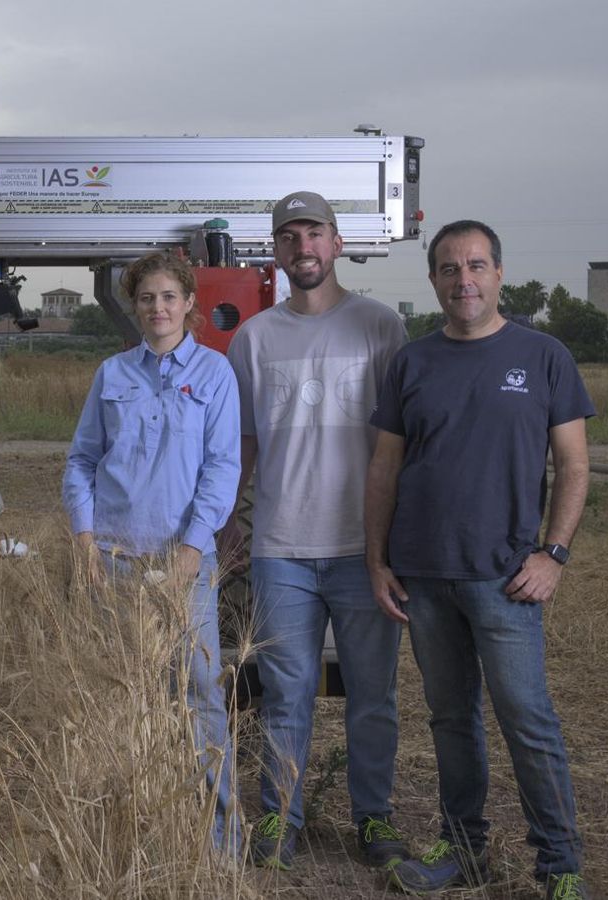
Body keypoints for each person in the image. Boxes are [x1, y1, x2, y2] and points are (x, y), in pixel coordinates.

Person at [365, 220, 592, 900]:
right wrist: (377, 559)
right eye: (448, 268)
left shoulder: (544, 355)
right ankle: (464, 849)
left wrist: (554, 554)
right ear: (433, 279)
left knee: (526, 716)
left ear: (498, 274)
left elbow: (575, 466)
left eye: (476, 265)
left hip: (506, 579)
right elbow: (384, 468)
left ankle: (560, 866)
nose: (463, 279)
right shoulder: (412, 362)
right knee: (450, 717)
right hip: (424, 576)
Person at [222, 191, 410, 870]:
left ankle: (375, 821)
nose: (303, 248)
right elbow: (242, 443)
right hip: (281, 550)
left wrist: (396, 547)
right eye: (289, 237)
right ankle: (279, 822)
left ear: (336, 242)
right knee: (285, 695)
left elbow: (401, 442)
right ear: (275, 250)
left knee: (372, 697)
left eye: (315, 234)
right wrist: (226, 524)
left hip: (365, 551)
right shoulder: (255, 338)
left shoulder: (382, 328)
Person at [62, 252, 243, 857]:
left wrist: (192, 551)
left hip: (183, 564)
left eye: (169, 297)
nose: (157, 308)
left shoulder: (215, 375)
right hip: (113, 561)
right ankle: (138, 835)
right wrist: (85, 538)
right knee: (123, 694)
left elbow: (222, 469)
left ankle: (219, 842)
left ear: (189, 303)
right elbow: (82, 460)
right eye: (146, 299)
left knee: (197, 695)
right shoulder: (112, 374)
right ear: (133, 307)